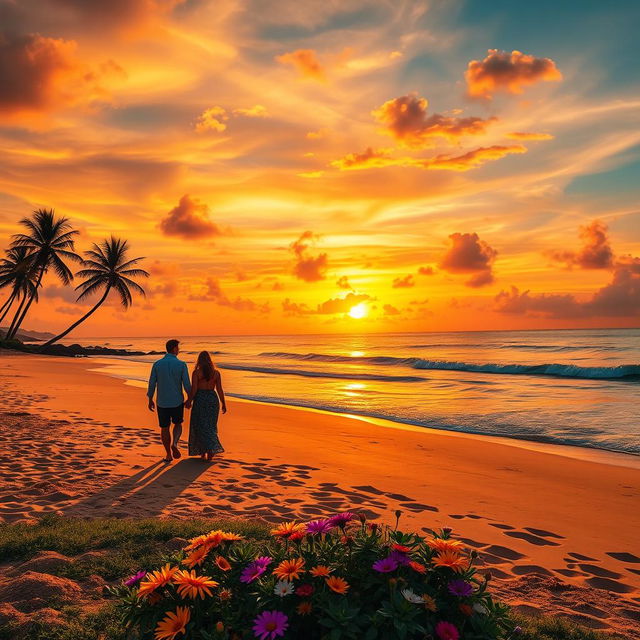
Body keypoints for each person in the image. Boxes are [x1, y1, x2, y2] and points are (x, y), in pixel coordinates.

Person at [147, 339, 191, 463]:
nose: (179, 350)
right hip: (177, 401)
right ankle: (175, 443)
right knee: (178, 424)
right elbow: (187, 385)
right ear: (174, 349)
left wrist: (150, 399)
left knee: (164, 428)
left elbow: (152, 384)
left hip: (162, 402)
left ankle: (168, 455)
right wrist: (190, 398)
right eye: (178, 348)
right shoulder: (181, 364)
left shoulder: (157, 364)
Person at [185, 350, 226, 461]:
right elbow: (220, 390)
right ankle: (210, 451)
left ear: (199, 360)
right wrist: (223, 403)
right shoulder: (216, 373)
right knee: (210, 427)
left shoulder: (196, 373)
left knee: (199, 426)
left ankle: (204, 451)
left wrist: (189, 401)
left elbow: (194, 390)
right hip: (213, 399)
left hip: (200, 399)